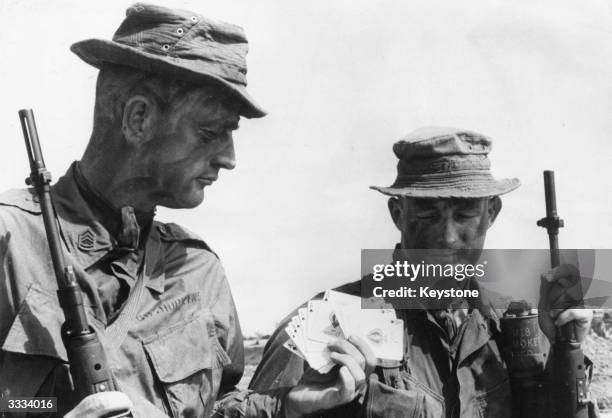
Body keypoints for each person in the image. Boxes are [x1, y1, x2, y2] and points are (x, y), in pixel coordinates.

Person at [247, 127, 597, 417]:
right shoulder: (328, 321)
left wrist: (566, 348)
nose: (445, 237)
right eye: (428, 215)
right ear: (398, 214)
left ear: (492, 213)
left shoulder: (509, 325)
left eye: (464, 215)